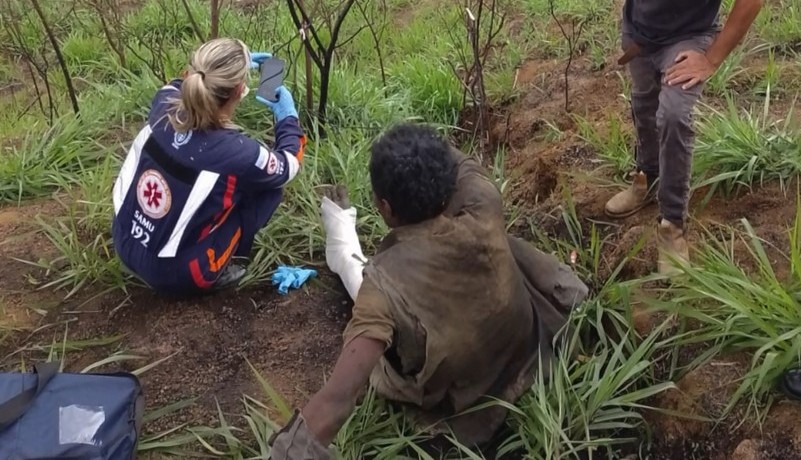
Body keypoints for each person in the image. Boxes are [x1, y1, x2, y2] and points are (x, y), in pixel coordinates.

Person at [269, 124, 589, 459]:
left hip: (462, 398)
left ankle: (344, 250)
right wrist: (414, 148)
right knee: (508, 248)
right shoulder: (481, 199)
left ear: (385, 207)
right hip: (527, 346)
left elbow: (337, 400)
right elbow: (452, 158)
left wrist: (286, 452)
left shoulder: (382, 285)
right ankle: (344, 250)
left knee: (379, 306)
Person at [112, 38, 305, 295]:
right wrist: (287, 116)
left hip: (124, 239)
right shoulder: (237, 152)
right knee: (269, 189)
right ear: (239, 90)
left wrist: (221, 65)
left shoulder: (164, 102)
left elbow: (178, 84)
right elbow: (288, 166)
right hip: (176, 275)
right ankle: (224, 265)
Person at [607, 0, 763, 275]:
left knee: (673, 115)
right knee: (644, 104)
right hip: (639, 33)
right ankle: (647, 179)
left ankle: (672, 226)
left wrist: (711, 59)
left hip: (687, 37)